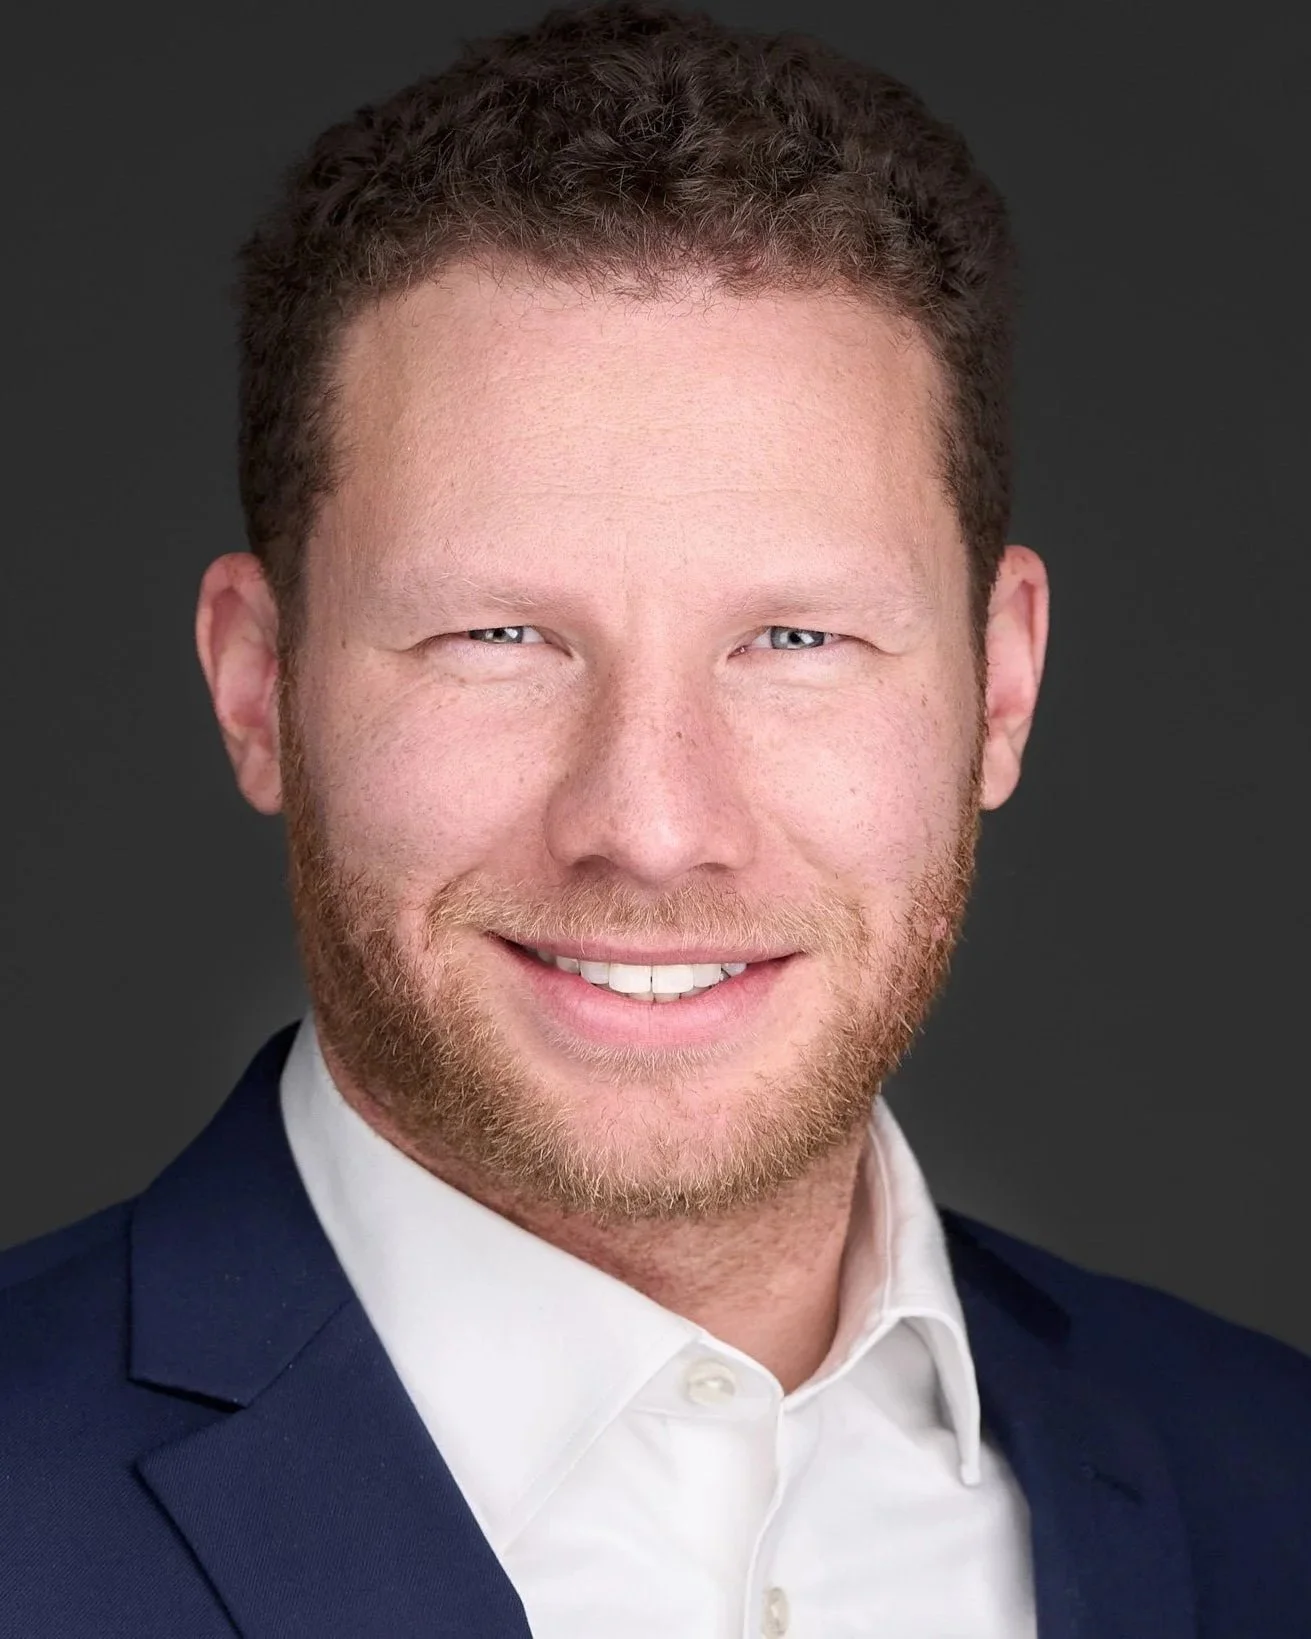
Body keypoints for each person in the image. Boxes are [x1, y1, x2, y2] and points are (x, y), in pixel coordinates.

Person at [3, 3, 1308, 1634]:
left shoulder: (1271, 1487)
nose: (650, 822)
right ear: (258, 682)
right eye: (498, 635)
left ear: (1001, 684)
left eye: (795, 638)